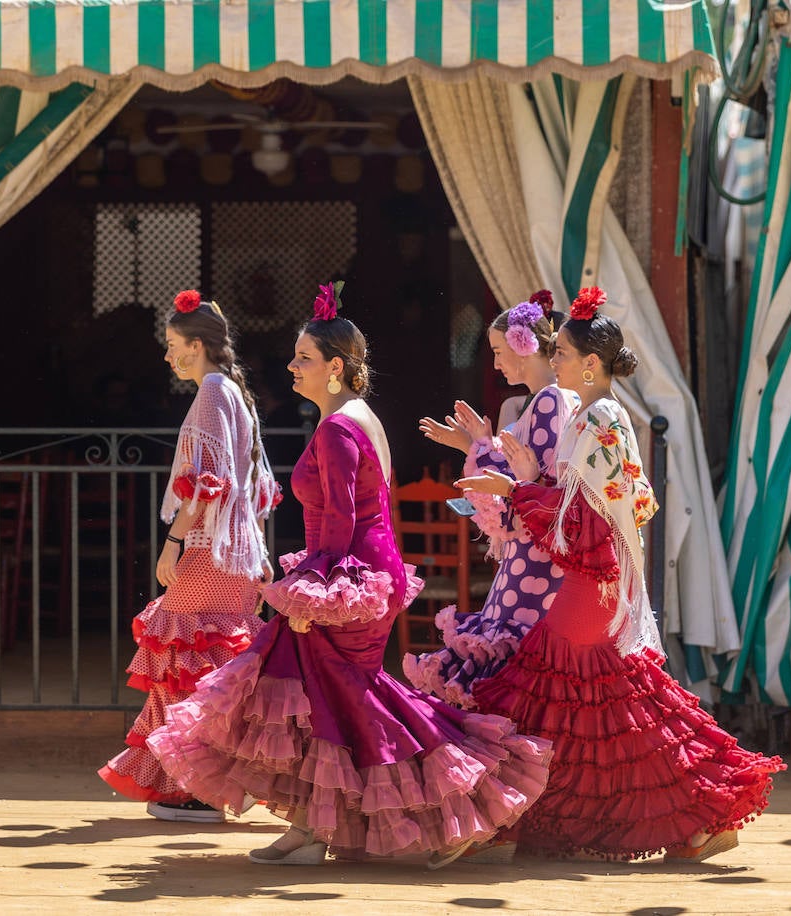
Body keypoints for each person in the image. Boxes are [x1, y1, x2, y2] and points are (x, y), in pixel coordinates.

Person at [145, 282, 552, 868]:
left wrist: (315, 597)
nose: (291, 366)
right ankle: (317, 826)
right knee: (327, 699)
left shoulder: (338, 428)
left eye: (303, 359)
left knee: (339, 695)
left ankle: (457, 798)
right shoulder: (359, 417)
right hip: (364, 575)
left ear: (336, 368)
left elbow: (338, 522)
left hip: (347, 578)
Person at [458, 287, 784, 863]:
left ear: (590, 363)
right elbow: (600, 505)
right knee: (604, 702)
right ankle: (606, 821)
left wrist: (516, 488)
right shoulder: (594, 415)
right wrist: (529, 479)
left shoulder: (601, 416)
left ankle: (692, 811)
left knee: (596, 698)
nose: (552, 360)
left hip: (591, 583)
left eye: (560, 352)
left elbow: (586, 519)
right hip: (595, 581)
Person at [98, 290, 283, 824]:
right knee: (217, 673)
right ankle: (209, 782)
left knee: (185, 664)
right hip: (235, 555)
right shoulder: (235, 393)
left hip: (208, 550)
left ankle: (201, 787)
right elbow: (256, 484)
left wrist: (172, 541)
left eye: (173, 345)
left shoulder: (212, 393)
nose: (167, 356)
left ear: (197, 345)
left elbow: (210, 484)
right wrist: (259, 549)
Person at [406, 291, 578, 707]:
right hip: (536, 551)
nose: (497, 363)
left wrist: (480, 448)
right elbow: (525, 473)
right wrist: (475, 445)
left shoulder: (550, 400)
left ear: (525, 345)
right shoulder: (552, 399)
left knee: (513, 657)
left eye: (500, 351)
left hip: (535, 554)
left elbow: (536, 486)